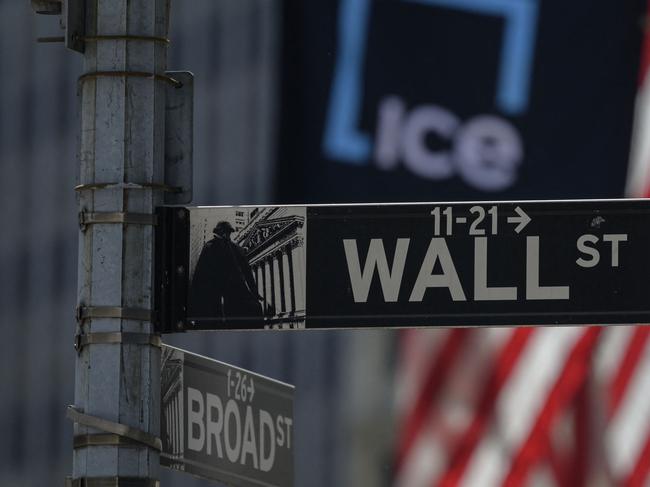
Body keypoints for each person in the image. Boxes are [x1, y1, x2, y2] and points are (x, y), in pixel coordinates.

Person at [189, 221, 264, 328]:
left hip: (232, 291)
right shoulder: (210, 246)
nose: (227, 235)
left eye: (228, 233)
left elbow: (247, 272)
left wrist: (255, 292)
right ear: (220, 232)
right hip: (215, 292)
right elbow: (199, 275)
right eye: (225, 232)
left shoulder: (235, 248)